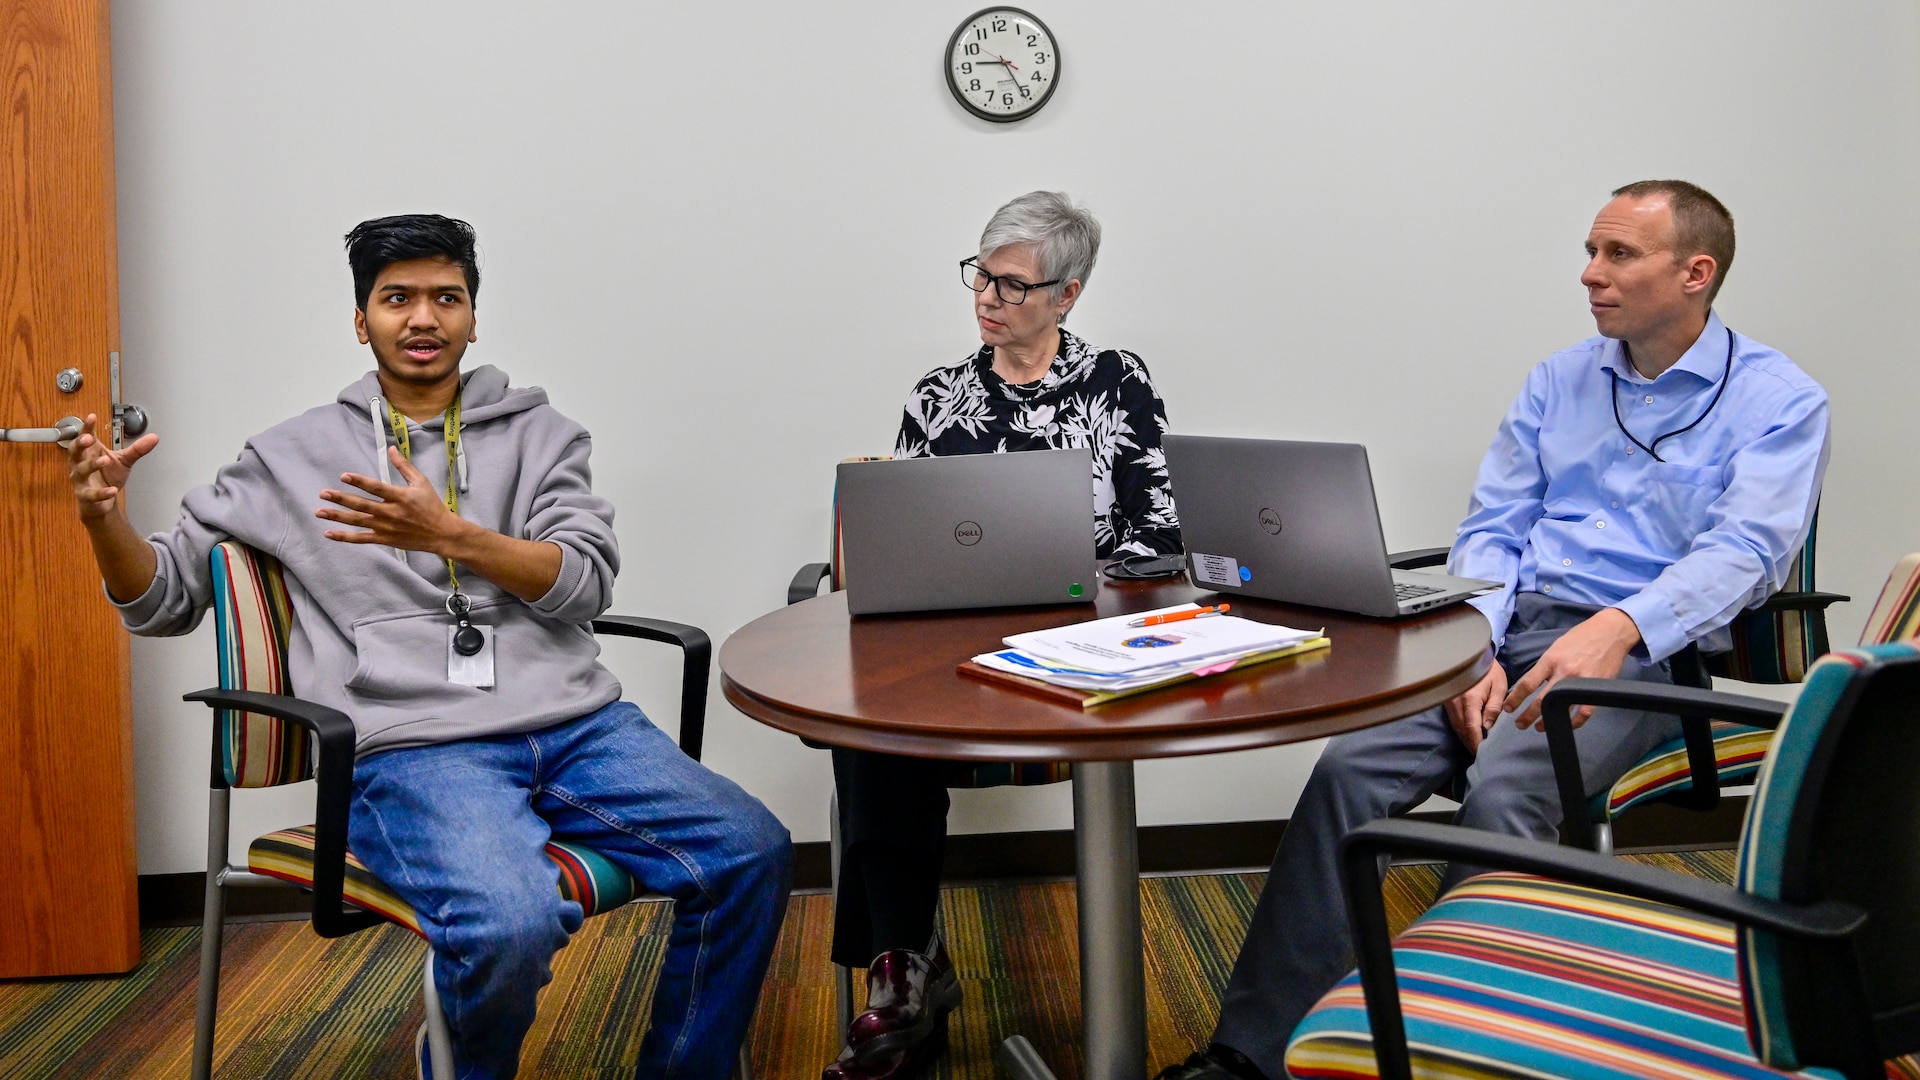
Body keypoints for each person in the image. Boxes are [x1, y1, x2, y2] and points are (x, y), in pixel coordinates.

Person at [67, 214, 791, 1080]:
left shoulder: (542, 435)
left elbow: (587, 584)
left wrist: (453, 534)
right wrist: (103, 519)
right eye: (396, 298)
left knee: (751, 850)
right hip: (416, 749)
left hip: (580, 728)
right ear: (361, 319)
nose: (423, 318)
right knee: (508, 920)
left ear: (474, 317)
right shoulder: (292, 455)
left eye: (446, 297)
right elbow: (163, 601)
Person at [1159, 180, 1830, 1080]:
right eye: (1591, 252)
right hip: (1507, 629)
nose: (1589, 274)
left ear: (1696, 273)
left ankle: (1443, 1053)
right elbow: (1494, 529)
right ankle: (1253, 1054)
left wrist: (1619, 629)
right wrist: (1472, 643)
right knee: (1349, 770)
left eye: (1618, 255)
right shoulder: (1559, 379)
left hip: (1647, 657)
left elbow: (1749, 551)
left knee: (1505, 790)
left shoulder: (1781, 400)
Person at [824, 191, 1181, 1080]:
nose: (987, 298)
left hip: (1081, 642)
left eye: (1012, 285)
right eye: (979, 276)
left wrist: (1085, 585)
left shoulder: (1117, 381)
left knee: (884, 727)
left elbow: (1159, 528)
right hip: (957, 647)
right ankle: (904, 965)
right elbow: (906, 537)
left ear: (1067, 295)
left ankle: (908, 972)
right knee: (873, 722)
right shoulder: (940, 395)